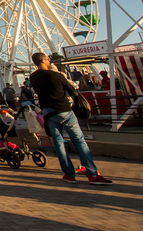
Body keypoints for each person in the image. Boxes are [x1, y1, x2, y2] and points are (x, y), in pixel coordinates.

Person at [30, 52, 113, 185]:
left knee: (58, 144)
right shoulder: (56, 75)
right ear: (44, 60)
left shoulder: (33, 77)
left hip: (48, 113)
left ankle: (69, 174)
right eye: (48, 59)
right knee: (79, 141)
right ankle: (92, 174)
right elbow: (73, 90)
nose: (49, 61)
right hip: (64, 111)